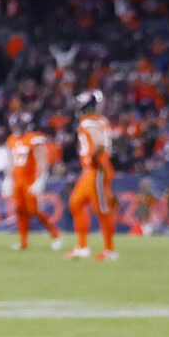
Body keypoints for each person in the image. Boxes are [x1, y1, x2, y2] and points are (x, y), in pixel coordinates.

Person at [67, 91, 119, 261]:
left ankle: (110, 250)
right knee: (76, 203)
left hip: (97, 169)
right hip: (90, 170)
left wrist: (94, 162)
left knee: (102, 210)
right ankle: (82, 247)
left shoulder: (90, 121)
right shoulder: (96, 120)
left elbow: (98, 145)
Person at [5, 117, 60, 251]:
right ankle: (23, 243)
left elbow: (42, 160)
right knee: (20, 211)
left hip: (29, 181)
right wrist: (8, 179)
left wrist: (39, 180)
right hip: (17, 180)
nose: (15, 129)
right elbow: (11, 160)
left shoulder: (34, 139)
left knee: (34, 210)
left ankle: (55, 234)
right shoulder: (12, 139)